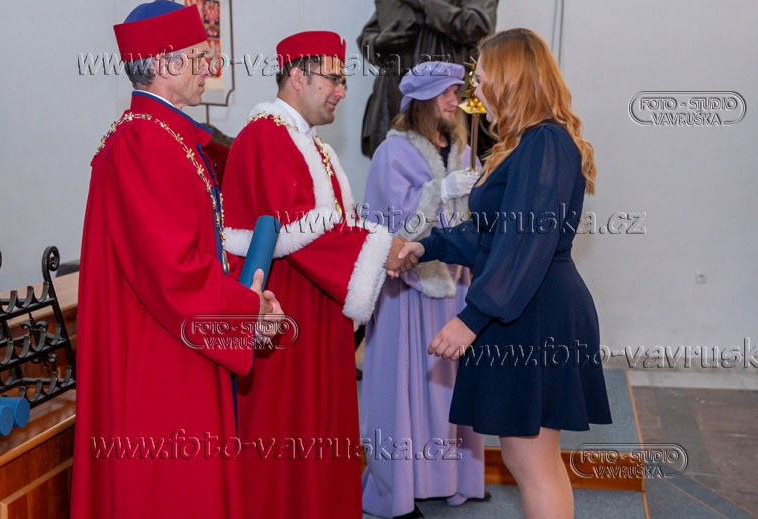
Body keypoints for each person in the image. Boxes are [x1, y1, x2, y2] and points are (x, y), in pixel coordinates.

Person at [70, 0, 282, 519]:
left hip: (175, 339)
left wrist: (245, 294)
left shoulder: (158, 135)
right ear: (165, 63)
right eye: (199, 56)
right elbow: (172, 273)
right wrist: (246, 309)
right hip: (160, 358)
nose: (211, 67)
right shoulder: (145, 141)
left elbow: (191, 249)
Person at [399, 28, 612, 519]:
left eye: (482, 78)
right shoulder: (528, 144)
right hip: (525, 305)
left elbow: (526, 243)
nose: (475, 92)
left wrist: (471, 319)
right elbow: (489, 235)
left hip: (534, 310)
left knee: (532, 462)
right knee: (529, 458)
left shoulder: (545, 142)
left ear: (511, 79)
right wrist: (426, 245)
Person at [221, 31, 419, 519]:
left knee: (321, 432)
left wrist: (379, 244)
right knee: (285, 437)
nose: (342, 91)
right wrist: (382, 250)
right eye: (333, 79)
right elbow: (296, 228)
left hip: (317, 314)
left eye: (343, 80)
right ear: (297, 76)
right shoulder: (266, 135)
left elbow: (332, 225)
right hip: (285, 317)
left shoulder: (312, 145)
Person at [361, 61, 485, 519]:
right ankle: (397, 490)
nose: (455, 101)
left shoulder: (465, 152)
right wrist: (439, 190)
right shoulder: (391, 154)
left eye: (457, 92)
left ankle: (455, 480)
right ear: (422, 100)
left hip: (456, 289)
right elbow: (394, 231)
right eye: (446, 93)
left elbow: (476, 220)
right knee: (404, 390)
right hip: (408, 293)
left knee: (452, 388)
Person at [358, 0, 500, 159]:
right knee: (396, 168)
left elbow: (481, 29)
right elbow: (367, 35)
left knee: (448, 168)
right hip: (396, 97)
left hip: (446, 98)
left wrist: (428, 5)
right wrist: (383, 42)